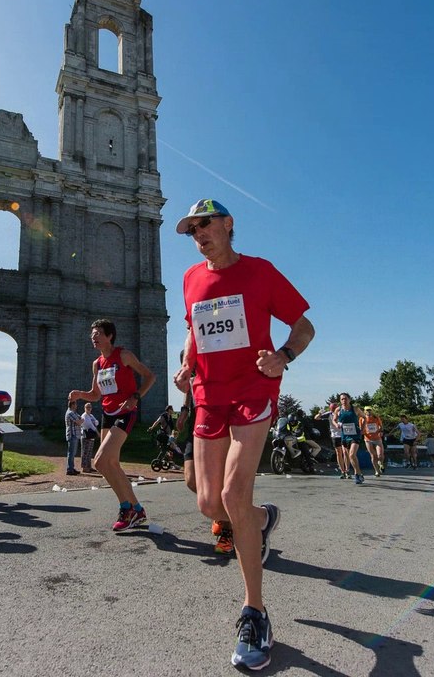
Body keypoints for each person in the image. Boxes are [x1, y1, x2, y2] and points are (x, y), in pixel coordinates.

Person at [172, 198, 315, 671]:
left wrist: (283, 357)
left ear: (229, 225)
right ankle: (259, 518)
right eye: (192, 229)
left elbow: (303, 325)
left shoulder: (260, 272)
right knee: (209, 504)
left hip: (255, 389)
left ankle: (255, 613)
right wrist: (187, 362)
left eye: (204, 224)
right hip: (209, 395)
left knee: (233, 493)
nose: (198, 234)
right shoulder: (192, 278)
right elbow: (194, 328)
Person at [67, 318, 157, 531]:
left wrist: (136, 396)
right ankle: (136, 509)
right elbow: (96, 395)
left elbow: (150, 376)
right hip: (107, 414)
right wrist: (81, 394)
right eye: (92, 334)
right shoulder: (97, 364)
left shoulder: (124, 355)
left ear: (109, 336)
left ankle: (127, 508)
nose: (94, 337)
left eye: (98, 333)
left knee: (99, 461)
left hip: (125, 412)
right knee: (112, 464)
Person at [177, 352, 234, 556]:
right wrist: (184, 410)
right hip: (196, 427)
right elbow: (190, 387)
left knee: (219, 482)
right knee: (191, 480)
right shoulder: (189, 360)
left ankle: (228, 531)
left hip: (219, 426)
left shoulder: (216, 363)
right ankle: (221, 514)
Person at [336, 394, 364, 483]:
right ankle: (359, 473)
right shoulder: (339, 410)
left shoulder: (355, 409)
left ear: (349, 399)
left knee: (352, 454)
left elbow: (364, 417)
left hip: (355, 435)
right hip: (345, 436)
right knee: (350, 456)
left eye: (345, 399)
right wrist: (336, 424)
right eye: (342, 399)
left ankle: (357, 474)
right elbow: (334, 419)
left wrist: (362, 429)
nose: (344, 400)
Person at [362, 406, 385, 476]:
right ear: (364, 411)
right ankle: (377, 471)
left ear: (372, 411)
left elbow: (381, 426)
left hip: (377, 438)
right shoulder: (362, 419)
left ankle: (381, 463)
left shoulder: (376, 417)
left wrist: (380, 431)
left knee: (380, 455)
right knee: (373, 456)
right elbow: (361, 428)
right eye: (367, 410)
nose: (368, 411)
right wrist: (362, 432)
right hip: (368, 439)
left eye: (370, 410)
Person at [64, 400, 84, 476]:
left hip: (75, 434)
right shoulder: (70, 413)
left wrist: (80, 420)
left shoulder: (74, 413)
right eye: (75, 404)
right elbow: (79, 421)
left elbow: (81, 418)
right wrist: (80, 421)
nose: (76, 405)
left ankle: (71, 468)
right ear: (72, 405)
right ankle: (69, 469)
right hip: (72, 435)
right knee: (71, 453)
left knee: (73, 453)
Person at [80, 403, 99, 473]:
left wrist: (95, 422)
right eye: (87, 407)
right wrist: (97, 432)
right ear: (84, 408)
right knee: (85, 452)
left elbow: (97, 422)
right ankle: (84, 467)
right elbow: (90, 425)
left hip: (91, 436)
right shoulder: (84, 416)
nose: (88, 408)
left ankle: (89, 466)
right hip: (85, 436)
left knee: (89, 452)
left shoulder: (91, 415)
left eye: (90, 407)